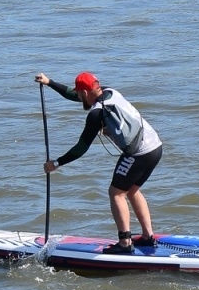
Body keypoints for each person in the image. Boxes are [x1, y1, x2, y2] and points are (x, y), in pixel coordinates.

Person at [36, 71, 163, 254]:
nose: (78, 97)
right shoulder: (111, 91)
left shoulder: (96, 114)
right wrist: (50, 83)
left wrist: (56, 163)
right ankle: (147, 237)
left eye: (80, 94)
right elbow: (74, 95)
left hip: (139, 154)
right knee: (132, 190)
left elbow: (82, 147)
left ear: (86, 93)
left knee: (116, 193)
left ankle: (125, 244)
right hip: (155, 146)